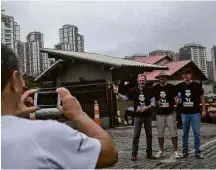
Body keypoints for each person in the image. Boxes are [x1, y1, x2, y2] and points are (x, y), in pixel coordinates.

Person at [1, 43, 118, 169]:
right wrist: (79, 115)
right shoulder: (45, 135)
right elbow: (109, 153)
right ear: (14, 81)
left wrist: (11, 114)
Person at [113, 74, 156, 161]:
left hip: (147, 116)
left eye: (143, 80)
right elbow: (124, 99)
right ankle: (134, 154)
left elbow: (153, 103)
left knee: (149, 135)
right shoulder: (133, 90)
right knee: (136, 135)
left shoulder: (150, 90)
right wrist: (117, 93)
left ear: (146, 81)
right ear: (137, 81)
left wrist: (146, 108)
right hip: (137, 116)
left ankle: (149, 153)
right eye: (140, 81)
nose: (141, 82)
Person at [176, 68, 206, 159]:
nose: (185, 76)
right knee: (185, 133)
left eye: (187, 74)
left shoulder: (197, 85)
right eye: (183, 74)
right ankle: (185, 151)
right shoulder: (179, 86)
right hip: (184, 113)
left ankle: (197, 151)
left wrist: (204, 110)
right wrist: (176, 100)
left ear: (191, 75)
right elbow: (177, 98)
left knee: (196, 133)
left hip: (195, 113)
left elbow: (202, 97)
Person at [152, 72, 180, 159]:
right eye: (160, 77)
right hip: (159, 114)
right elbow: (152, 99)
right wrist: (156, 102)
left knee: (173, 132)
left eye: (164, 77)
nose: (162, 78)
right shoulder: (155, 87)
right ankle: (161, 151)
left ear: (166, 78)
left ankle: (175, 151)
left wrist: (177, 99)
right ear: (158, 78)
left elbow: (177, 97)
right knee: (160, 134)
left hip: (170, 113)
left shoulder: (172, 87)